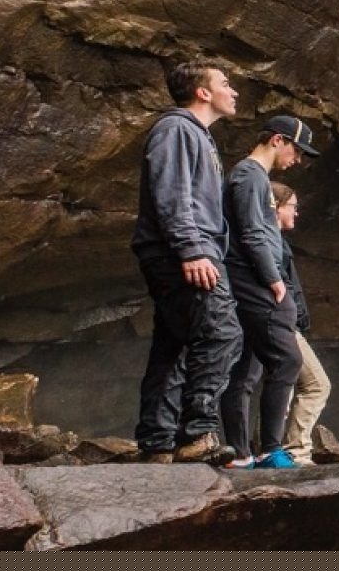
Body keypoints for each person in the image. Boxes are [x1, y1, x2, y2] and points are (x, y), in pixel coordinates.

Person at [131, 59, 243, 464]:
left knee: (175, 345)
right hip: (182, 251)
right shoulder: (177, 128)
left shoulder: (198, 136)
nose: (234, 91)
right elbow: (172, 193)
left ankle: (157, 441)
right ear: (203, 92)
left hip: (177, 250)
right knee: (222, 333)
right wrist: (192, 249)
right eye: (226, 83)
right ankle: (196, 434)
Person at [219, 115, 320, 469]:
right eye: (297, 150)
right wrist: (275, 280)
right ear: (278, 140)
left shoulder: (251, 176)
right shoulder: (249, 176)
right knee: (287, 359)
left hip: (247, 278)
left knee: (245, 368)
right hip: (254, 279)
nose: (298, 160)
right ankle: (269, 450)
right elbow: (252, 233)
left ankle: (240, 452)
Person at [272, 182, 332, 466]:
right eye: (292, 207)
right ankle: (295, 451)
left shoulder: (274, 241)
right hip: (282, 324)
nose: (296, 214)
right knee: (316, 384)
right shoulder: (267, 241)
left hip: (285, 322)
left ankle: (269, 449)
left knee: (280, 385)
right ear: (275, 207)